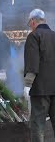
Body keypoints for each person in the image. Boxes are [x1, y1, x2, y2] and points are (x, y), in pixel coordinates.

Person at [24, 9, 55, 142]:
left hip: (40, 89)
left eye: (29, 23)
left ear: (32, 21)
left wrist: (27, 85)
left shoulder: (34, 36)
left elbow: (33, 62)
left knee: (38, 125)